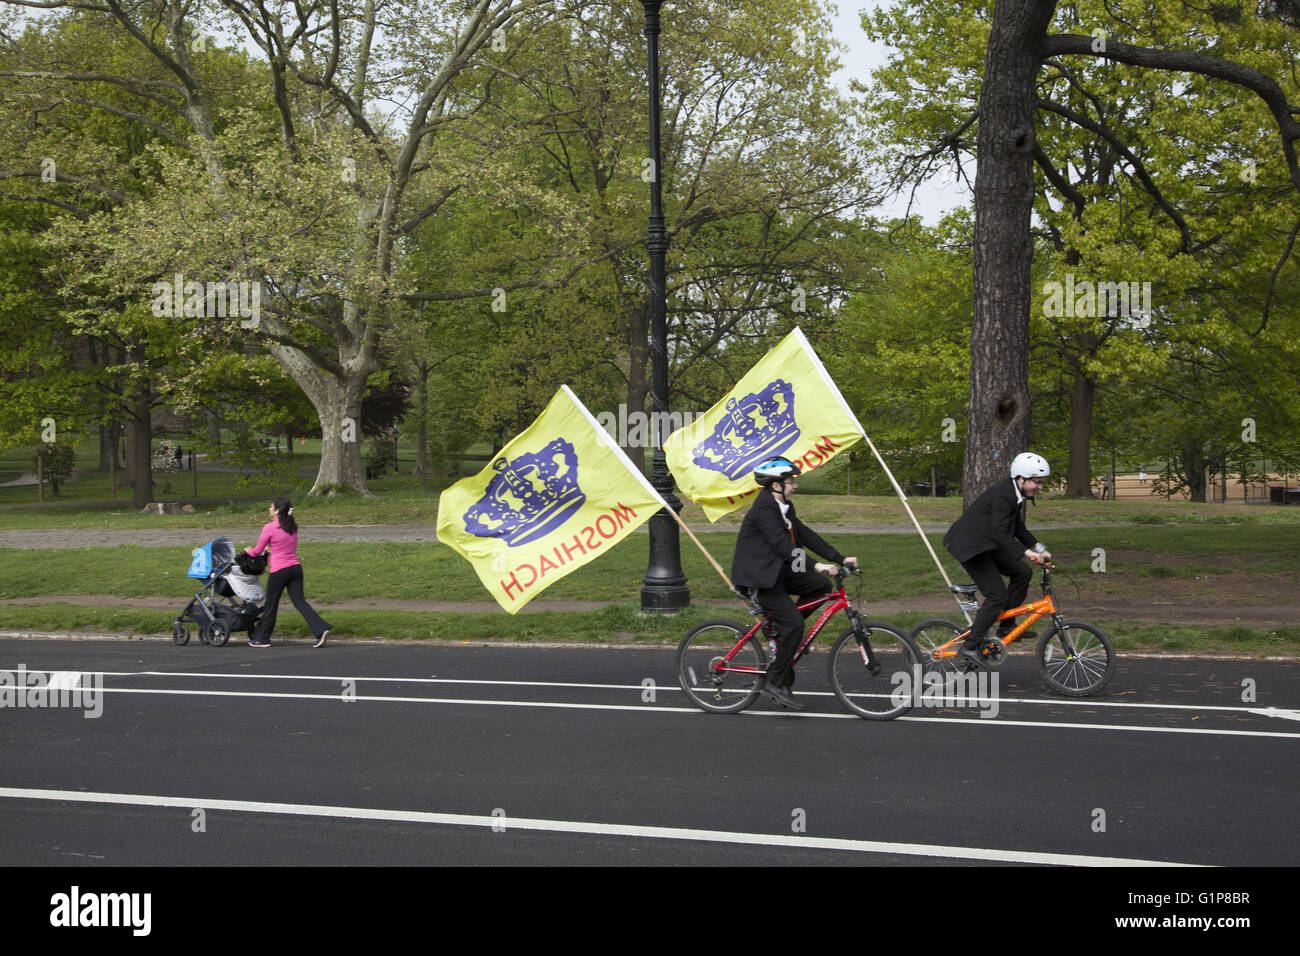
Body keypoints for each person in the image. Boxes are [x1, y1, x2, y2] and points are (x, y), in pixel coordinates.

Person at [731, 457, 858, 710]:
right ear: (776, 485)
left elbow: (806, 535)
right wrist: (816, 564)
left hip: (778, 572)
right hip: (760, 579)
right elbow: (781, 545)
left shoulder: (785, 506)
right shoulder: (764, 510)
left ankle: (783, 632)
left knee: (820, 586)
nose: (795, 486)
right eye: (790, 482)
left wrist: (838, 558)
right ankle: (774, 683)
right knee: (794, 624)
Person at [943, 453, 1053, 670]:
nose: (1039, 487)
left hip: (987, 543)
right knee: (997, 595)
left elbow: (1018, 528)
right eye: (1037, 482)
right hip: (971, 546)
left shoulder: (1016, 495)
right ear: (1021, 478)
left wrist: (1041, 549)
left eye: (1041, 483)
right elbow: (1001, 533)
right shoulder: (1005, 496)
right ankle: (970, 646)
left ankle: (1006, 626)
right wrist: (1028, 554)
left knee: (1022, 573)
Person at [245, 497, 332, 648]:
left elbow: (257, 551)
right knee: (299, 602)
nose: (269, 509)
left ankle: (262, 638)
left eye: (271, 507)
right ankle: (320, 629)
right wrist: (271, 550)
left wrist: (248, 551)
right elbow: (285, 546)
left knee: (271, 604)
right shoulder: (292, 527)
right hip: (295, 569)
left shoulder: (269, 527)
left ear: (277, 511)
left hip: (279, 570)